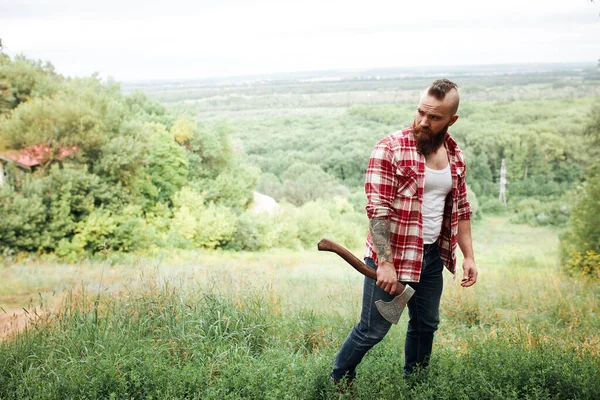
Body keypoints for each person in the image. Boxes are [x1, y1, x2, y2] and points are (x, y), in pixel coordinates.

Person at [331, 79, 478, 386]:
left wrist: (468, 256)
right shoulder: (390, 149)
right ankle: (339, 379)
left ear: (452, 120)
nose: (424, 122)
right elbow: (378, 209)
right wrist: (384, 263)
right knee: (373, 329)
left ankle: (416, 384)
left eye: (435, 117)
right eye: (420, 112)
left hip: (431, 257)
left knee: (426, 324)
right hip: (392, 257)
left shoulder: (455, 156)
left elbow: (461, 209)